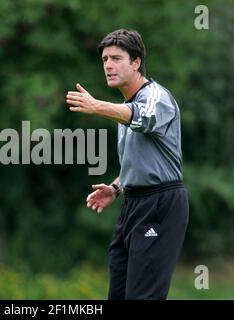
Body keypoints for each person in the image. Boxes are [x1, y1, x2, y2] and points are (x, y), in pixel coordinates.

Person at [66, 29, 189, 300]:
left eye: (116, 58)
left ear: (136, 62)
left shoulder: (157, 97)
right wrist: (115, 187)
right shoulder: (126, 107)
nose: (108, 65)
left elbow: (142, 118)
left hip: (160, 204)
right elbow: (143, 161)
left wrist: (97, 106)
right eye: (105, 60)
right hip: (132, 205)